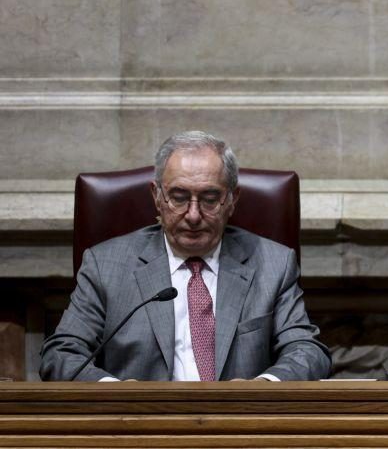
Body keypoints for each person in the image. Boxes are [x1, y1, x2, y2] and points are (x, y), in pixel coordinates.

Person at [41, 131, 332, 382]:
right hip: (138, 427)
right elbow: (62, 353)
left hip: (238, 429)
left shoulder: (274, 263)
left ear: (232, 200)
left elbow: (307, 350)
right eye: (179, 197)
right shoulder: (105, 265)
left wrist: (263, 387)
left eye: (209, 199)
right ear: (157, 196)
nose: (193, 215)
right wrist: (115, 392)